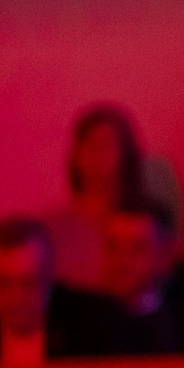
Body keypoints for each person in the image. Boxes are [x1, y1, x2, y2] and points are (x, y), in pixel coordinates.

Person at [0, 218, 117, 364]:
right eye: (2, 284)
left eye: (29, 283)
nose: (16, 297)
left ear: (49, 278)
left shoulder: (92, 325)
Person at [40, 104, 149, 292]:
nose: (95, 153)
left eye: (106, 145)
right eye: (88, 143)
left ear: (125, 156)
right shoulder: (50, 228)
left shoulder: (144, 226)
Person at [99, 203, 184, 355]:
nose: (122, 260)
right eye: (113, 246)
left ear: (163, 255)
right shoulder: (85, 325)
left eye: (137, 248)